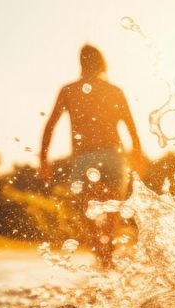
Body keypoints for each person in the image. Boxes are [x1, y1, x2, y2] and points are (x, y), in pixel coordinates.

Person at [39, 44, 144, 268]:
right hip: (114, 158)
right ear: (102, 63)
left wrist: (43, 160)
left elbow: (50, 125)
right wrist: (137, 154)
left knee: (88, 213)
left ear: (81, 63)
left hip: (84, 159)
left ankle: (101, 257)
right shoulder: (114, 90)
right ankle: (109, 259)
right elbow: (131, 127)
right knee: (112, 214)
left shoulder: (69, 90)